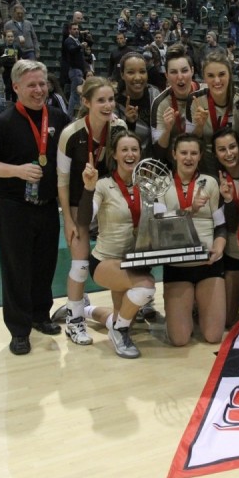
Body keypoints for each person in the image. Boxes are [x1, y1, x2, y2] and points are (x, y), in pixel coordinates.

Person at [0, 60, 70, 355]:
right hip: (14, 207)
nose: (39, 90)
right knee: (17, 270)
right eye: (32, 85)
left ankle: (41, 315)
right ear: (16, 87)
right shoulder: (2, 123)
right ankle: (19, 330)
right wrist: (16, 171)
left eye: (43, 84)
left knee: (45, 265)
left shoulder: (58, 118)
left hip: (46, 206)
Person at [56, 76, 127, 346]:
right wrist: (67, 219)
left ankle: (120, 313)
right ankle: (75, 322)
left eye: (110, 99)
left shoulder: (118, 127)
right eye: (101, 100)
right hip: (78, 202)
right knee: (80, 263)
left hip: (110, 203)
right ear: (86, 103)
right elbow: (62, 181)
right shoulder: (70, 134)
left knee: (118, 258)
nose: (108, 105)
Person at [74, 131, 156, 357]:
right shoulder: (103, 185)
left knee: (121, 318)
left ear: (140, 154)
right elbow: (83, 220)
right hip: (106, 262)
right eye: (124, 150)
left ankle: (84, 309)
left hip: (136, 261)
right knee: (146, 286)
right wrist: (88, 188)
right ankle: (119, 333)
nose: (130, 154)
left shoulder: (149, 185)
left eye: (134, 150)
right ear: (115, 155)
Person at [161, 133, 226, 346]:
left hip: (208, 265)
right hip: (177, 266)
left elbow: (221, 226)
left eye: (194, 153)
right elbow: (159, 226)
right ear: (174, 155)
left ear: (199, 157)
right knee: (179, 340)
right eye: (183, 153)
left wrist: (219, 247)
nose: (188, 158)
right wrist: (190, 210)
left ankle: (199, 306)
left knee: (214, 336)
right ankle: (186, 308)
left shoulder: (211, 183)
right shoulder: (161, 185)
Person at [187, 51, 239, 176]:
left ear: (230, 75)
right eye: (210, 75)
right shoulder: (195, 100)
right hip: (206, 166)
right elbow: (191, 143)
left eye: (222, 74)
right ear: (204, 78)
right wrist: (199, 126)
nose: (217, 80)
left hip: (236, 164)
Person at [213, 128, 239, 326]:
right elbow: (232, 224)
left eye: (232, 147)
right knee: (227, 320)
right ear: (215, 154)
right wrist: (228, 200)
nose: (228, 154)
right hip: (234, 255)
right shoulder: (215, 181)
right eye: (222, 149)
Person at [151, 45, 201, 165]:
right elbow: (158, 154)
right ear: (167, 76)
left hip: (203, 167)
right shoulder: (160, 103)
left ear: (192, 71)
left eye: (184, 71)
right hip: (172, 169)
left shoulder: (204, 96)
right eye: (173, 72)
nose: (180, 77)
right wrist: (167, 130)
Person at [114, 52, 161, 158]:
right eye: (131, 72)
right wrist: (130, 124)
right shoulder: (115, 105)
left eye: (142, 72)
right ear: (122, 75)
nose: (138, 77)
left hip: (157, 162)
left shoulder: (155, 94)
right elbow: (116, 145)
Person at [61, 22, 92, 119]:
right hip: (74, 70)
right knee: (75, 95)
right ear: (70, 30)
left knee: (76, 95)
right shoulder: (69, 40)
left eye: (77, 29)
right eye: (74, 29)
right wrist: (80, 46)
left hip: (78, 71)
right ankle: (69, 117)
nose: (76, 30)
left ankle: (76, 115)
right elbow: (71, 50)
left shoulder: (76, 40)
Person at [0, 30, 19, 102]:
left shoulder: (17, 47)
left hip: (14, 69)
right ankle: (8, 101)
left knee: (14, 86)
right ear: (5, 38)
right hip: (5, 69)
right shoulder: (1, 47)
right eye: (8, 36)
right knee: (8, 86)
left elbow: (20, 57)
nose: (10, 38)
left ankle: (15, 102)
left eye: (12, 36)